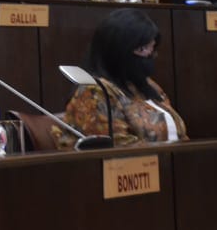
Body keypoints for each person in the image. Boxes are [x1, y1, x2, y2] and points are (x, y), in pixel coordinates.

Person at [60, 9, 188, 147]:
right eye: (143, 48)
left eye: (152, 48)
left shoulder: (148, 85)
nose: (150, 55)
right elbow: (119, 147)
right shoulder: (95, 92)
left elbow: (180, 133)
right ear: (118, 50)